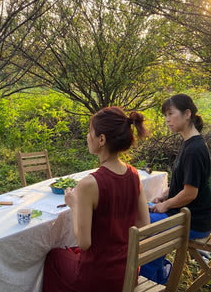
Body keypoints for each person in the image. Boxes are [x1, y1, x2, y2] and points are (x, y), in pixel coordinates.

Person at [42, 106, 151, 292]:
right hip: (128, 273)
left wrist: (74, 204)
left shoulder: (89, 184)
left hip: (99, 278)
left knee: (54, 257)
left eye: (90, 131)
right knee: (71, 253)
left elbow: (84, 243)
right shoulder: (134, 174)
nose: (87, 136)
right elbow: (144, 224)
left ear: (101, 139)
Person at [149, 93, 211, 239]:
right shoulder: (190, 143)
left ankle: (155, 263)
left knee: (140, 221)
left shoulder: (194, 150)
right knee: (142, 209)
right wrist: (163, 195)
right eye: (165, 115)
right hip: (187, 217)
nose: (167, 119)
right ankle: (160, 262)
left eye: (171, 114)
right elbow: (184, 182)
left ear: (187, 114)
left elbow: (190, 193)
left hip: (193, 223)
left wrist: (165, 205)